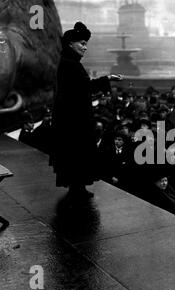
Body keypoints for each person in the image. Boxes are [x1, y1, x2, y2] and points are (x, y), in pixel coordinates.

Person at [49, 22, 125, 202]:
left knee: (75, 152)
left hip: (71, 116)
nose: (85, 47)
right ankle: (77, 188)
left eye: (86, 44)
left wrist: (106, 78)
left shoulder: (69, 62)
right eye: (82, 43)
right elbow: (86, 86)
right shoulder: (70, 64)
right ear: (70, 44)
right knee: (77, 151)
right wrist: (107, 78)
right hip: (74, 119)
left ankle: (78, 187)